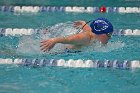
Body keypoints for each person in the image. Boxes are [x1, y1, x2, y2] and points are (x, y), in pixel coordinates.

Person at [40, 18, 113, 52]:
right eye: (109, 34)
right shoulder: (86, 38)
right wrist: (54, 40)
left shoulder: (93, 34)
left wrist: (83, 23)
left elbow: (88, 28)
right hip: (61, 52)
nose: (110, 37)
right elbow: (69, 39)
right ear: (100, 34)